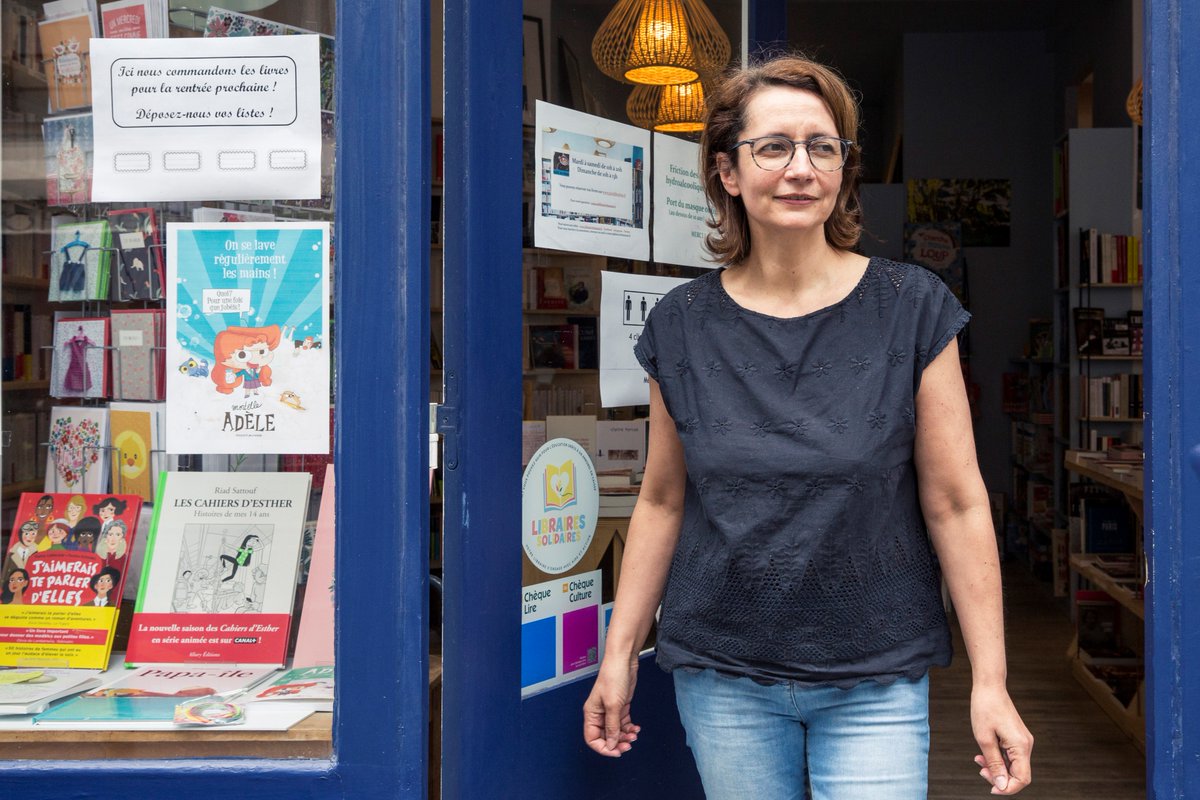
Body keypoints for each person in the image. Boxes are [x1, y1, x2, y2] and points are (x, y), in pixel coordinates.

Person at [582, 54, 1033, 798]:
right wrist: (619, 652)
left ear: (844, 169)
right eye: (773, 147)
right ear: (727, 172)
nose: (801, 168)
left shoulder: (912, 308)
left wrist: (992, 682)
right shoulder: (681, 324)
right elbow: (662, 499)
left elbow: (957, 503)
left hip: (876, 671)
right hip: (723, 671)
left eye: (823, 147)